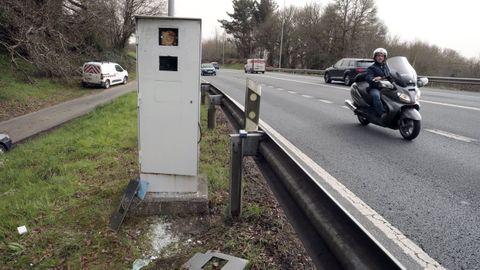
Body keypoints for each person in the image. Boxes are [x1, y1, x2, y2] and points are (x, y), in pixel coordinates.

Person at [366, 48, 391, 118]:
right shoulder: (371, 68)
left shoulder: (386, 67)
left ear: (384, 57)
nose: (380, 57)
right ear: (375, 57)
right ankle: (382, 114)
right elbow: (368, 77)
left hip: (386, 87)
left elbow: (391, 75)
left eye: (382, 56)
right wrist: (373, 79)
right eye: (378, 56)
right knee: (376, 96)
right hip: (375, 87)